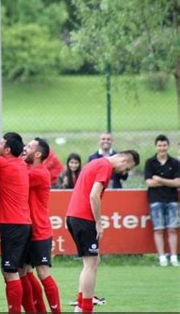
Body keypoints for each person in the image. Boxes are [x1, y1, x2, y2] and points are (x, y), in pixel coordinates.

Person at [66, 149, 139, 313]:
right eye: (127, 169)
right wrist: (99, 222)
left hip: (74, 216)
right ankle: (86, 307)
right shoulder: (105, 166)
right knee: (90, 265)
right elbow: (94, 196)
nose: (124, 172)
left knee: (93, 262)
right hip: (84, 218)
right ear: (124, 161)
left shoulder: (95, 163)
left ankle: (81, 303)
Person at [0, 132, 32, 313]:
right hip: (22, 224)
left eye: (2, 142)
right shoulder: (20, 164)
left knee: (10, 272)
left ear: (7, 150)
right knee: (20, 272)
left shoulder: (3, 164)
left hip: (13, 225)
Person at [21, 138, 61, 314]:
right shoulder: (29, 169)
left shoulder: (39, 173)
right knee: (25, 272)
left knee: (42, 272)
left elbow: (15, 178)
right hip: (26, 230)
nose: (24, 149)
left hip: (39, 231)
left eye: (28, 147)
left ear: (37, 154)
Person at [144, 134, 180, 267]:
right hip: (155, 199)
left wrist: (159, 179)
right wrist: (169, 182)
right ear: (156, 146)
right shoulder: (150, 162)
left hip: (172, 199)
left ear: (168, 146)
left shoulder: (175, 163)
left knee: (172, 229)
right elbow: (149, 182)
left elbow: (178, 182)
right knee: (158, 229)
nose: (162, 148)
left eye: (164, 145)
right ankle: (162, 257)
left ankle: (174, 256)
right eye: (160, 145)